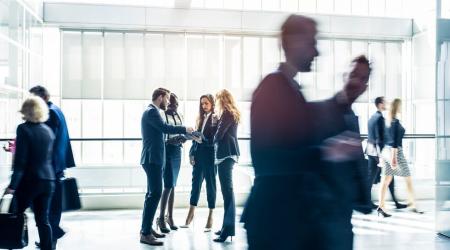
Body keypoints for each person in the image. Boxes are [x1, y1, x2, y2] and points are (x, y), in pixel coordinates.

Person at [242, 14, 370, 250]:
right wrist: (328, 152)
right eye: (311, 42)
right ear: (291, 43)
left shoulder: (290, 89)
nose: (316, 52)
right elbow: (266, 159)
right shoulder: (274, 86)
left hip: (285, 219)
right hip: (274, 222)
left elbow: (310, 123)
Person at [139, 88, 193, 246]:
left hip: (153, 158)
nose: (168, 102)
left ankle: (146, 228)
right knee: (155, 193)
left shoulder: (152, 111)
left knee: (151, 194)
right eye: (167, 99)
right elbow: (165, 128)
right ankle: (145, 233)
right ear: (160, 97)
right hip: (152, 159)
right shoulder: (152, 112)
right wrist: (185, 128)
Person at [4, 96, 56, 250]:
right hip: (48, 180)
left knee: (15, 215)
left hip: (29, 181)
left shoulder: (23, 129)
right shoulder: (48, 130)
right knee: (43, 220)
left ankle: (11, 244)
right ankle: (47, 248)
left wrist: (12, 186)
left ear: (26, 111)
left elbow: (21, 162)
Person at [29, 85, 76, 249]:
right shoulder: (57, 110)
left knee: (46, 207)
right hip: (57, 165)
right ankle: (49, 238)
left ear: (41, 97)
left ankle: (52, 237)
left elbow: (44, 142)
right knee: (51, 206)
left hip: (49, 167)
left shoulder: (48, 113)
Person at [377, 98, 424, 217]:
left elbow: (385, 140)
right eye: (400, 106)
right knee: (408, 178)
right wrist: (394, 159)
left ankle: (381, 206)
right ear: (397, 107)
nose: (401, 108)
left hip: (386, 152)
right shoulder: (395, 122)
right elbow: (394, 142)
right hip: (395, 152)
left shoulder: (388, 121)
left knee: (386, 180)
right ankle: (413, 205)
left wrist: (384, 156)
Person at [181, 94, 218, 231]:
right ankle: (191, 214)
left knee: (211, 186)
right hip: (198, 155)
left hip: (210, 157)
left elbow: (215, 140)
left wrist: (203, 140)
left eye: (206, 103)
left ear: (212, 103)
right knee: (195, 185)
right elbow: (196, 137)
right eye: (202, 104)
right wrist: (191, 153)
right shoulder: (200, 118)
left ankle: (211, 216)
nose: (204, 106)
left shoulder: (216, 118)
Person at [367, 96, 406, 210]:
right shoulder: (379, 118)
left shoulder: (372, 117)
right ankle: (392, 202)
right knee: (378, 178)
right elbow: (379, 138)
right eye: (385, 102)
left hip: (371, 151)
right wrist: (381, 156)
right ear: (380, 104)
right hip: (378, 153)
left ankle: (394, 202)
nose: (387, 104)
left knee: (378, 178)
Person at [213, 89, 240, 243]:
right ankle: (226, 227)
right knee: (226, 192)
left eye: (217, 100)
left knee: (227, 193)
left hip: (226, 155)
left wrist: (211, 133)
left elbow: (219, 135)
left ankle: (227, 230)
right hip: (227, 155)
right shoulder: (230, 113)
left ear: (221, 100)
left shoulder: (227, 113)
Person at [156, 93, 186, 233]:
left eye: (177, 105)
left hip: (177, 152)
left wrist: (184, 138)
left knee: (173, 184)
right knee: (168, 184)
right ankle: (161, 218)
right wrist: (169, 140)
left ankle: (170, 217)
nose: (175, 107)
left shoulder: (180, 115)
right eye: (173, 104)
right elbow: (161, 135)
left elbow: (183, 131)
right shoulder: (161, 115)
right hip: (167, 151)